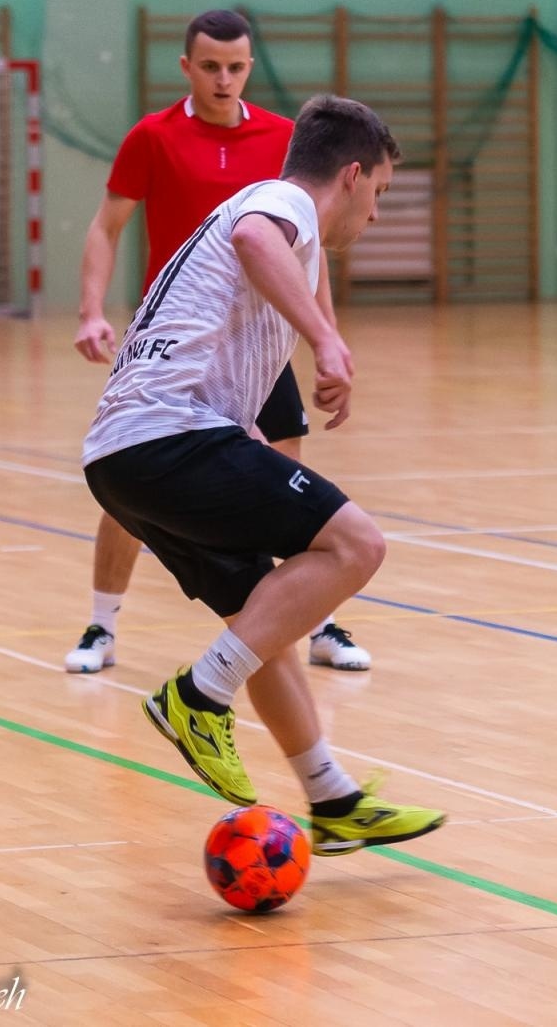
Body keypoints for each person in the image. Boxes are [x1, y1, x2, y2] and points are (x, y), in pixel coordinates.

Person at [83, 94, 444, 855]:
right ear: (350, 176)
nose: (376, 215)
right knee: (357, 547)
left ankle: (331, 797)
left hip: (125, 455)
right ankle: (197, 696)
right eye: (379, 193)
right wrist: (325, 340)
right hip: (165, 441)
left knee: (265, 618)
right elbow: (254, 239)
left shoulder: (269, 212)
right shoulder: (280, 203)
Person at [67, 9, 370, 674]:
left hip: (259, 340)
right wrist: (92, 310)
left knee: (291, 479)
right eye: (210, 67)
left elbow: (303, 252)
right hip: (177, 345)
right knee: (137, 484)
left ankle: (312, 619)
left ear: (250, 67)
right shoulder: (153, 137)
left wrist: (327, 335)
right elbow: (105, 226)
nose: (224, 79)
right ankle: (101, 625)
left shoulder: (286, 140)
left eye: (236, 67)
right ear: (186, 67)